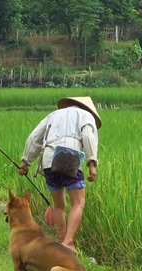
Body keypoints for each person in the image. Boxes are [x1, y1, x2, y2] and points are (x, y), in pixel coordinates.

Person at [18, 96, 101, 254]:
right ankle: (68, 242)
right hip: (69, 157)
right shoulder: (85, 115)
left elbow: (34, 137)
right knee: (78, 202)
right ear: (87, 108)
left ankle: (62, 242)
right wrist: (92, 164)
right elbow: (88, 137)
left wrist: (25, 162)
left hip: (49, 160)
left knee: (59, 205)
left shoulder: (53, 115)